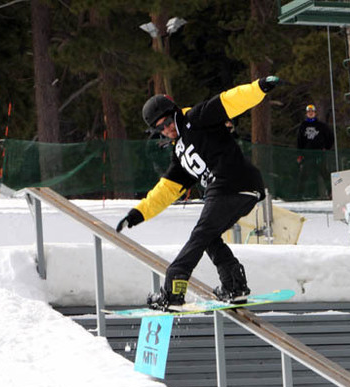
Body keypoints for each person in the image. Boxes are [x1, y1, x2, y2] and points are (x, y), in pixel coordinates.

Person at [116, 76, 282, 309]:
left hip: (231, 182)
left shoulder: (197, 117)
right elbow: (166, 189)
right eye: (160, 128)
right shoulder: (180, 153)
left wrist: (259, 87)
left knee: (201, 234)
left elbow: (229, 100)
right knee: (209, 237)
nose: (167, 130)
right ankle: (234, 285)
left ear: (175, 112)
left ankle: (173, 289)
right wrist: (138, 213)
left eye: (168, 122)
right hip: (238, 190)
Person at [296, 104, 333, 197]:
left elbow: (330, 137)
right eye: (309, 112)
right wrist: (300, 154)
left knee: (324, 173)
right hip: (307, 155)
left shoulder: (321, 126)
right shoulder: (303, 126)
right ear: (306, 114)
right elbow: (299, 141)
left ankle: (331, 192)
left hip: (319, 154)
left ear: (315, 113)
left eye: (312, 112)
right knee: (304, 174)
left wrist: (326, 148)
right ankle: (300, 195)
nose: (311, 113)